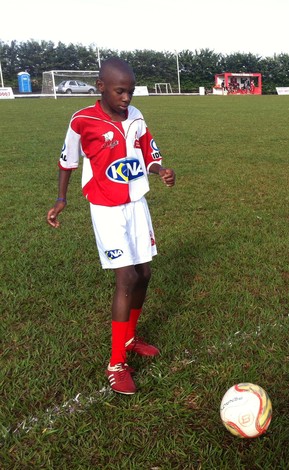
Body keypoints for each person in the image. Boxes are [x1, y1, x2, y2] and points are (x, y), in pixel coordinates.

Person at [46, 58, 176, 395]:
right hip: (105, 207)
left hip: (136, 203)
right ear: (101, 86)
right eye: (120, 91)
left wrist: (159, 168)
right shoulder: (82, 120)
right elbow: (66, 161)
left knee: (144, 274)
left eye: (130, 91)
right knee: (127, 278)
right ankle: (116, 363)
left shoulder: (136, 117)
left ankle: (130, 338)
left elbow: (148, 149)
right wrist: (61, 200)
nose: (127, 98)